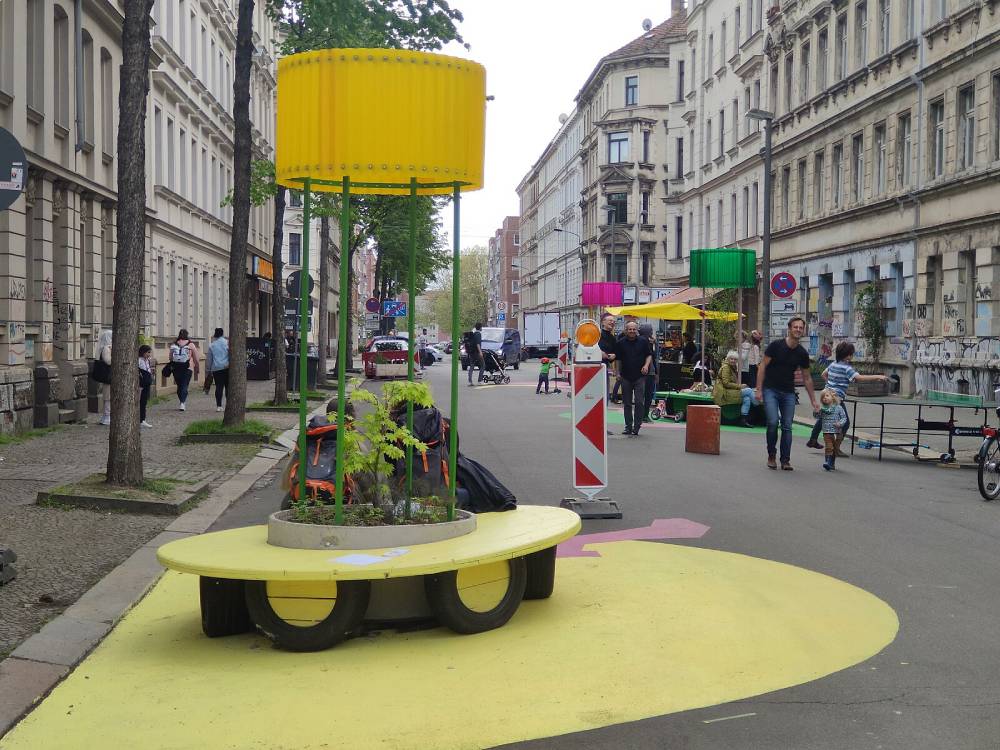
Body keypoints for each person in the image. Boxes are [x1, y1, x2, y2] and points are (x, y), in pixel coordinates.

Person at [755, 316, 818, 471]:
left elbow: (807, 377)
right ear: (789, 329)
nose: (798, 330)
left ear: (803, 331)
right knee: (772, 422)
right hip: (770, 389)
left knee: (787, 426)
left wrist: (814, 401)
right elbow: (762, 366)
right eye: (795, 327)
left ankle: (785, 460)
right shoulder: (776, 346)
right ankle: (771, 454)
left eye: (800, 328)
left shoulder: (802, 353)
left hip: (788, 392)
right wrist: (758, 389)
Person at [806, 341, 890, 451]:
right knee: (845, 423)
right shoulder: (846, 368)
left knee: (824, 417)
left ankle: (813, 439)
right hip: (836, 398)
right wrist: (878, 376)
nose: (852, 356)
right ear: (848, 355)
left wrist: (830, 385)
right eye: (851, 354)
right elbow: (859, 378)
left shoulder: (833, 364)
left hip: (826, 395)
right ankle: (835, 448)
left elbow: (823, 374)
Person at [613, 321, 653, 436]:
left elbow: (649, 355)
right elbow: (618, 359)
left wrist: (646, 366)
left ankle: (637, 426)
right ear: (626, 330)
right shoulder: (620, 343)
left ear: (637, 330)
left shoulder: (643, 341)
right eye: (629, 329)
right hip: (625, 376)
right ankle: (628, 427)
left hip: (640, 376)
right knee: (627, 403)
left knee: (640, 402)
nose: (631, 331)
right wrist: (617, 373)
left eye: (633, 329)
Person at [714, 350, 760, 427]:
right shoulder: (726, 368)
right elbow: (726, 383)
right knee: (748, 391)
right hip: (724, 392)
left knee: (747, 399)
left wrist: (740, 386)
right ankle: (758, 404)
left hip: (730, 391)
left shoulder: (732, 367)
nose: (733, 361)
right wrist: (740, 386)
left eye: (735, 359)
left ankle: (743, 420)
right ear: (728, 359)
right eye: (731, 359)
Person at [169, 329, 200, 411]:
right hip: (188, 368)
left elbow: (170, 358)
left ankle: (181, 401)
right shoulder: (191, 345)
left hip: (176, 368)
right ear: (187, 335)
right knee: (184, 385)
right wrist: (197, 367)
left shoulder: (174, 344)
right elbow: (196, 358)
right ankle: (182, 403)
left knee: (179, 385)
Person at [818, 388, 848, 471]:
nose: (825, 398)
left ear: (833, 397)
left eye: (827, 396)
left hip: (838, 432)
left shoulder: (839, 408)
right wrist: (817, 411)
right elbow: (818, 417)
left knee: (835, 449)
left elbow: (844, 418)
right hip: (827, 432)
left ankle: (832, 463)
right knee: (829, 447)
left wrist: (840, 423)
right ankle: (827, 462)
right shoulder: (823, 409)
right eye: (823, 397)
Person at [204, 328, 230, 412]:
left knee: (219, 387)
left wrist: (208, 371)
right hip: (227, 368)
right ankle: (228, 404)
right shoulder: (228, 343)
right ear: (222, 334)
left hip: (216, 369)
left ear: (215, 334)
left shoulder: (212, 345)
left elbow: (209, 360)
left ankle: (219, 406)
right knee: (228, 387)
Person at [639, 324, 658, 423]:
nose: (652, 332)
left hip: (648, 371)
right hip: (647, 371)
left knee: (643, 395)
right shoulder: (646, 342)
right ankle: (644, 415)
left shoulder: (649, 341)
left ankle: (643, 415)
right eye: (650, 330)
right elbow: (652, 356)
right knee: (647, 395)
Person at [95, 329, 113, 426]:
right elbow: (108, 361)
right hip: (108, 376)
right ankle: (107, 416)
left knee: (109, 396)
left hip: (109, 376)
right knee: (108, 397)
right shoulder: (106, 348)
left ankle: (107, 416)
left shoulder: (108, 347)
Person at [138, 344, 154, 428]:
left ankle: (142, 419)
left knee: (144, 401)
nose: (149, 354)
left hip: (146, 383)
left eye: (150, 352)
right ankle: (141, 420)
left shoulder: (147, 360)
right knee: (141, 401)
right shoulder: (139, 361)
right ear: (143, 352)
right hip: (141, 384)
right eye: (148, 352)